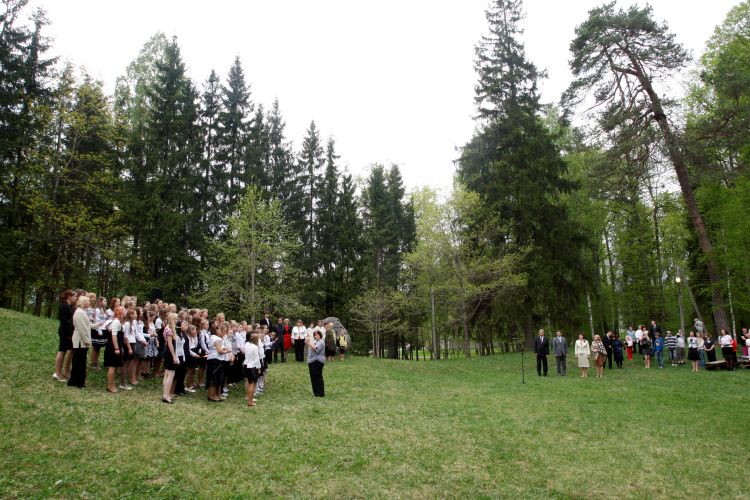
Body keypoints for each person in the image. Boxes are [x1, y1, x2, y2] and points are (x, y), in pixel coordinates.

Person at [69, 295, 97, 388]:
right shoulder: (79, 312)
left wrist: (98, 325)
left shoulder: (82, 312)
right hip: (80, 341)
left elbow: (87, 325)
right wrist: (86, 340)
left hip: (82, 340)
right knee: (79, 361)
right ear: (83, 302)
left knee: (79, 361)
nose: (89, 302)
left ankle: (76, 381)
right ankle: (78, 382)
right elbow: (81, 328)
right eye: (88, 301)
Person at [54, 289, 76, 382]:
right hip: (65, 332)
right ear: (69, 296)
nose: (76, 298)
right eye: (74, 296)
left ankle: (60, 373)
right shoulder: (64, 306)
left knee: (64, 351)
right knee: (62, 351)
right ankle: (57, 373)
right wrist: (70, 333)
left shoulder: (69, 306)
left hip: (67, 331)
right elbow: (65, 321)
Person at [103, 306, 125, 393]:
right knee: (112, 367)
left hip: (117, 346)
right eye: (123, 311)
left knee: (115, 366)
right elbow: (114, 335)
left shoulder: (119, 322)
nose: (125, 312)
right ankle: (110, 386)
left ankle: (112, 384)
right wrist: (116, 348)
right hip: (113, 347)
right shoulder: (116, 322)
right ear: (119, 312)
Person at [161, 312, 179, 403]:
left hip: (168, 352)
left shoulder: (167, 328)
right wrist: (174, 356)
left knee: (167, 373)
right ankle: (166, 395)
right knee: (170, 374)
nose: (177, 320)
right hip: (169, 353)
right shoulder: (169, 330)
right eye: (176, 319)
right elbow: (170, 345)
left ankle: (165, 394)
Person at [243, 332, 261, 407]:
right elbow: (257, 359)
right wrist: (259, 368)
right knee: (252, 384)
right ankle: (250, 401)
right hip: (252, 367)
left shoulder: (247, 345)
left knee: (249, 383)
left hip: (247, 365)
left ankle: (249, 398)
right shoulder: (255, 347)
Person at [306, 330, 326, 397]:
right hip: (312, 361)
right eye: (314, 335)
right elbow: (310, 345)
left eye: (316, 335)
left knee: (318, 377)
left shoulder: (321, 342)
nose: (315, 336)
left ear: (320, 335)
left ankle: (320, 393)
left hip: (317, 362)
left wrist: (309, 343)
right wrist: (308, 341)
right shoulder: (315, 341)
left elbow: (315, 349)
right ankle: (316, 393)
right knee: (313, 377)